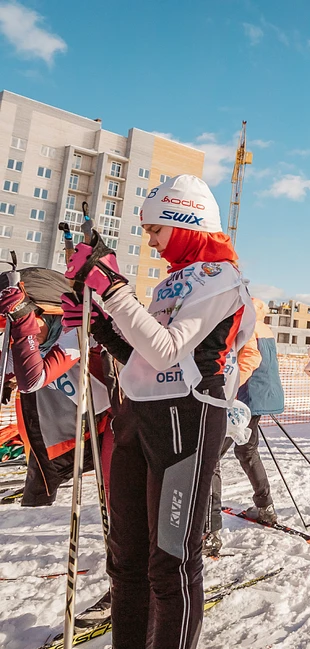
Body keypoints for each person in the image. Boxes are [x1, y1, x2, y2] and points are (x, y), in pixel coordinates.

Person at [62, 174, 255, 649]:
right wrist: (101, 326)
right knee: (125, 560)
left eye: (155, 229)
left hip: (186, 420)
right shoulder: (173, 282)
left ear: (184, 219)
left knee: (170, 561)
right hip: (140, 415)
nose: (150, 240)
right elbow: (148, 358)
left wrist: (113, 289)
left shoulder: (220, 277)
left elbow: (168, 350)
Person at [0, 268, 113, 507]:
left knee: (117, 494)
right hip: (74, 430)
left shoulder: (74, 330)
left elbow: (33, 380)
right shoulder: (34, 336)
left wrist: (22, 319)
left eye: (28, 322)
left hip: (110, 422)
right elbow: (9, 367)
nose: (18, 332)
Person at [203, 297, 282, 557]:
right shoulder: (264, 327)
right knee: (246, 451)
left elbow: (250, 359)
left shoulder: (246, 326)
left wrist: (228, 390)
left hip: (243, 400)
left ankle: (210, 531)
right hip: (260, 398)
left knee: (210, 458)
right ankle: (265, 507)